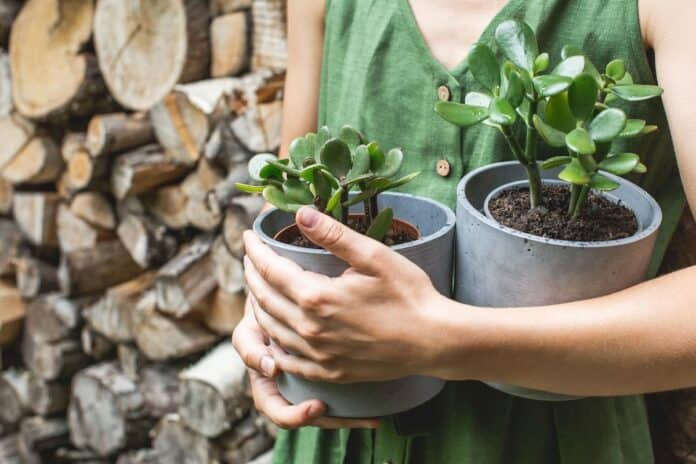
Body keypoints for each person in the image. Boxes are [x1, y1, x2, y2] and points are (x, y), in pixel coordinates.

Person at [233, 0, 696, 462]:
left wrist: (444, 342)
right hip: (337, 428)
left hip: (557, 441)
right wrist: (268, 312)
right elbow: (290, 200)